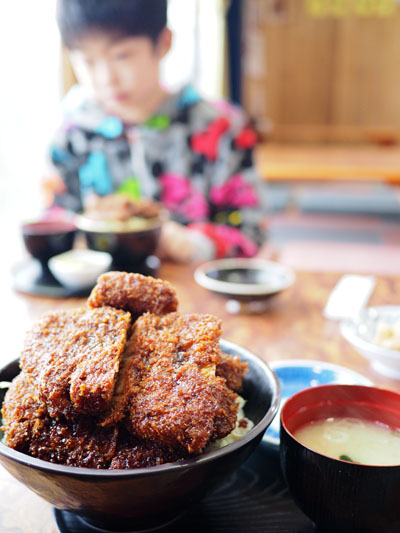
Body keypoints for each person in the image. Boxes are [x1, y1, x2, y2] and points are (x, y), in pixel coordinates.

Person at [48, 0, 267, 262]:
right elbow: (53, 217)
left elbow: (251, 230)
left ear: (164, 42)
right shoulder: (74, 132)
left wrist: (194, 244)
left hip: (195, 292)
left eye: (122, 56)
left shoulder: (220, 128)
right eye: (88, 61)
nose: (106, 78)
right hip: (97, 294)